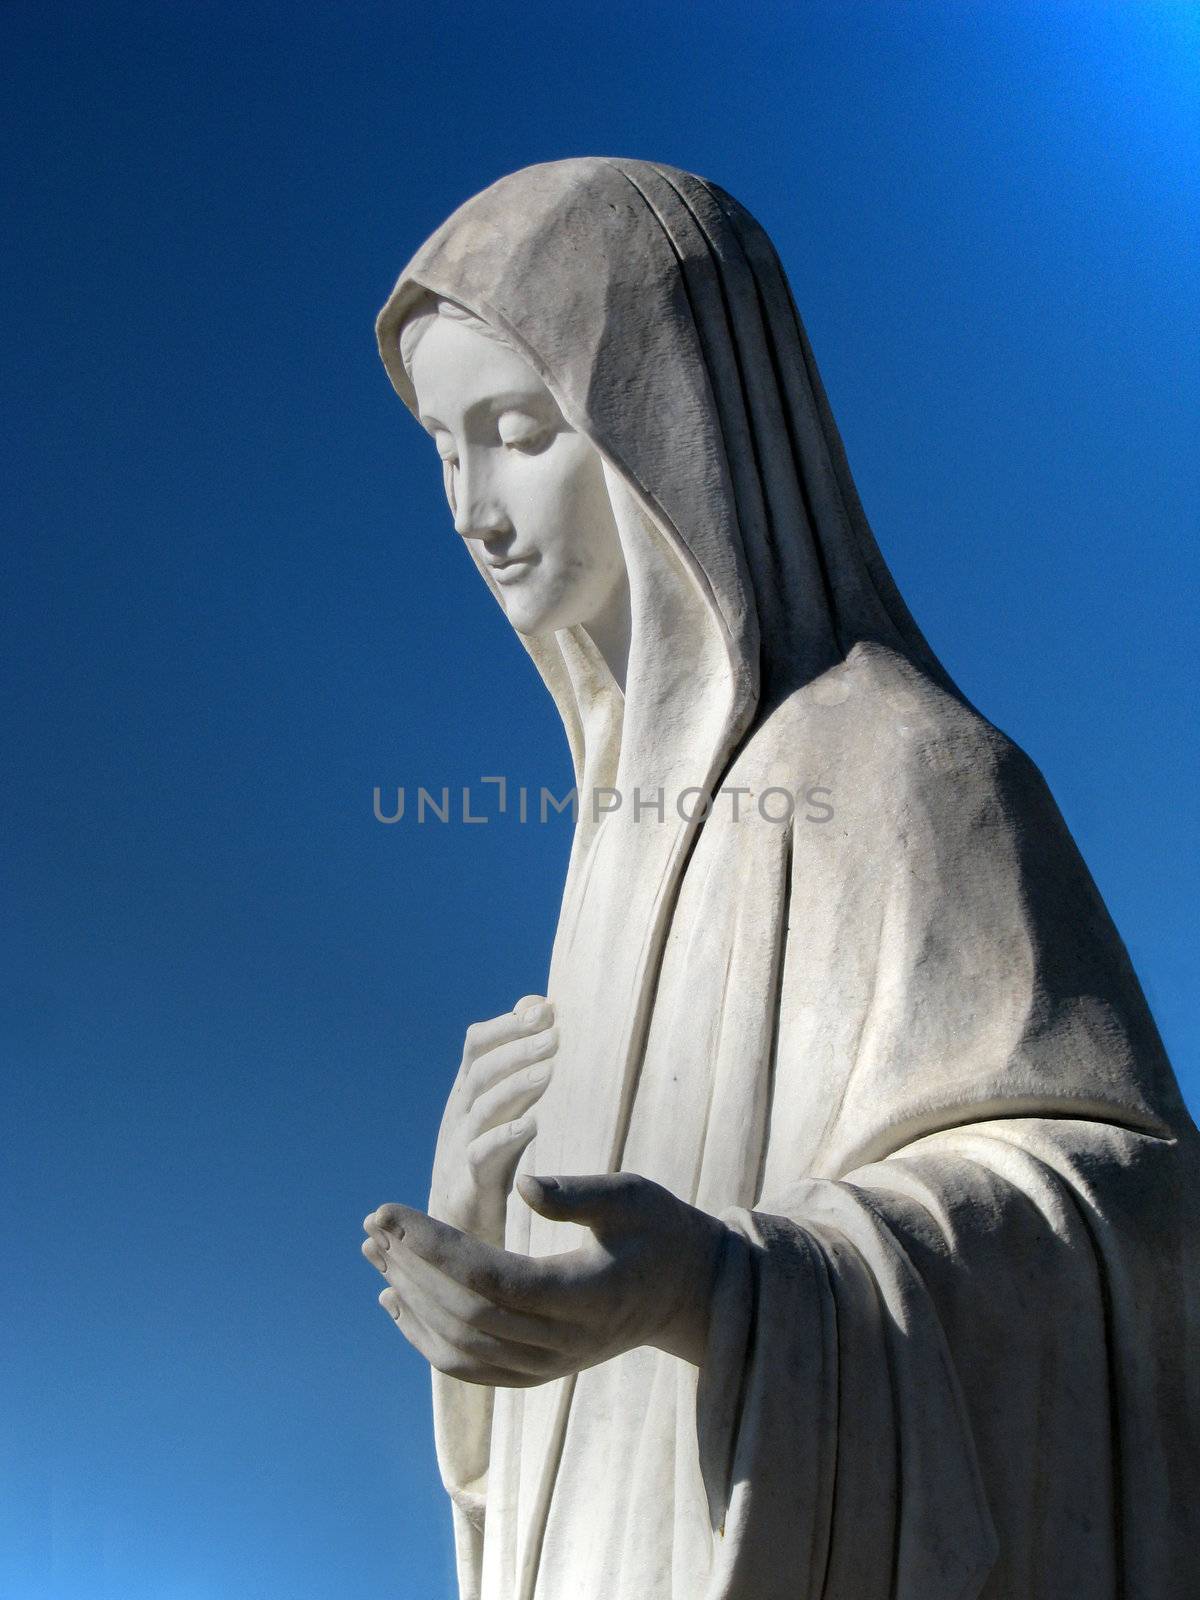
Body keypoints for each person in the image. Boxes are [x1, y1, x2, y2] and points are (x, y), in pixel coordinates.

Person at [362, 158, 1200, 1600]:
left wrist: (730, 1289)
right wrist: (489, 1244)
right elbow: (546, 1444)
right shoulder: (610, 859)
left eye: (517, 431)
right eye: (444, 448)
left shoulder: (904, 770)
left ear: (673, 430)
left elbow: (1125, 1221)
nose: (469, 506)